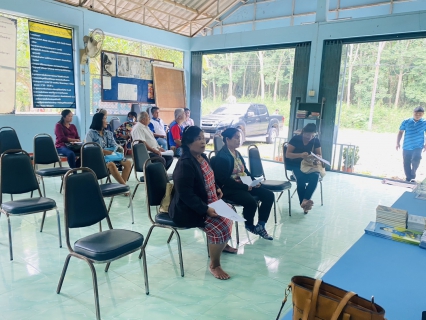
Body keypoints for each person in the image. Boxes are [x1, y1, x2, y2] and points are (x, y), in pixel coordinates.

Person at [169, 126, 236, 280]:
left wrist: (217, 188)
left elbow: (209, 178)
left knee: (231, 212)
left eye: (203, 137)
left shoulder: (202, 157)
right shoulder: (185, 163)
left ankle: (222, 245)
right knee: (220, 227)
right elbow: (186, 194)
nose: (203, 141)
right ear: (188, 143)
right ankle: (215, 265)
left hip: (210, 201)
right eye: (198, 138)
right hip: (189, 209)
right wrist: (205, 209)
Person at [213, 128, 274, 240]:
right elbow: (224, 180)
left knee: (269, 195)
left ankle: (261, 225)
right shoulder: (222, 157)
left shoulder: (237, 153)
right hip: (229, 188)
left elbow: (245, 170)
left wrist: (254, 182)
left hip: (244, 184)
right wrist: (245, 187)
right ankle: (250, 226)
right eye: (236, 137)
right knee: (251, 202)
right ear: (227, 139)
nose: (238, 140)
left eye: (239, 137)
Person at [86, 113, 132, 185]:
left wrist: (115, 149)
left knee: (128, 162)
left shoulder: (108, 133)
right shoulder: (90, 133)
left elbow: (115, 146)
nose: (106, 121)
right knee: (111, 165)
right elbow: (91, 150)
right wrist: (107, 151)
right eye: (104, 119)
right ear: (98, 121)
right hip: (99, 159)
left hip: (111, 156)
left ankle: (121, 186)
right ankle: (124, 186)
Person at [285, 123, 321, 214]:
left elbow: (319, 155)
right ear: (303, 132)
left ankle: (304, 201)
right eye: (307, 135)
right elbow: (288, 154)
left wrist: (317, 157)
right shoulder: (295, 139)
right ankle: (305, 203)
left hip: (309, 165)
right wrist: (300, 155)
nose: (309, 137)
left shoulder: (316, 141)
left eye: (312, 135)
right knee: (301, 180)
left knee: (315, 176)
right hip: (295, 165)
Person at [396, 106, 426, 182]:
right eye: (416, 113)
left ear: (423, 114)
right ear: (413, 113)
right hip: (407, 145)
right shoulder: (406, 121)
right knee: (406, 162)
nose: (418, 115)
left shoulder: (424, 123)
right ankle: (408, 178)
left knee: (416, 159)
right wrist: (397, 143)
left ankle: (413, 173)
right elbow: (400, 132)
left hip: (418, 145)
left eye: (420, 114)